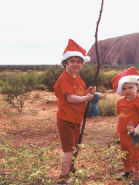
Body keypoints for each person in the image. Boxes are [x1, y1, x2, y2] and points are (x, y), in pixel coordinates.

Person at [53, 39, 96, 184]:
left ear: (82, 63)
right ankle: (64, 178)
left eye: (79, 61)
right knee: (68, 150)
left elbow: (81, 92)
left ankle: (71, 169)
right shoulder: (63, 79)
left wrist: (88, 92)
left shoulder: (78, 78)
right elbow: (71, 98)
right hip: (66, 120)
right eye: (73, 61)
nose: (76, 64)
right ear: (66, 62)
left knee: (75, 147)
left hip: (76, 119)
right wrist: (86, 97)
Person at [111, 67, 139, 185]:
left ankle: (137, 178)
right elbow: (120, 116)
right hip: (123, 133)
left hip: (136, 134)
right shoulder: (120, 102)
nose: (127, 90)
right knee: (125, 153)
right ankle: (127, 171)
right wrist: (118, 130)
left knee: (137, 154)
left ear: (137, 87)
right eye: (124, 88)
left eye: (130, 87)